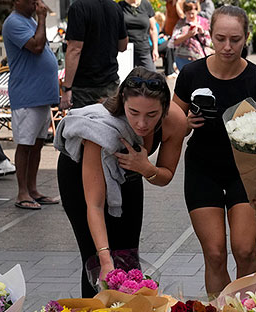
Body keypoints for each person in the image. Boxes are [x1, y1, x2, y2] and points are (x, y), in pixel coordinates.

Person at [173, 5, 256, 297]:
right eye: (220, 38)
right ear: (210, 36)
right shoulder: (191, 75)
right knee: (216, 254)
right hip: (202, 170)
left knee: (244, 251)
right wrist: (185, 124)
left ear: (246, 37)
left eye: (235, 39)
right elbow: (170, 129)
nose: (227, 47)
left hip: (244, 175)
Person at [55, 67, 187, 297]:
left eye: (152, 114)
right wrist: (105, 260)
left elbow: (165, 175)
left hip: (131, 169)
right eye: (133, 112)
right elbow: (94, 205)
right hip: (78, 173)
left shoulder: (176, 121)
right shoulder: (101, 128)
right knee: (96, 259)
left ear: (165, 108)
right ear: (122, 102)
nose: (142, 123)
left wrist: (145, 168)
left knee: (127, 256)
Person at [3, 0, 60, 210]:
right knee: (25, 145)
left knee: (36, 145)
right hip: (27, 94)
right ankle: (22, 193)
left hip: (41, 95)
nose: (38, 4)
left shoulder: (28, 20)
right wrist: (42, 19)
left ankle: (33, 189)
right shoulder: (14, 23)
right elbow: (36, 47)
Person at [59, 0, 128, 110]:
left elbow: (75, 49)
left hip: (84, 86)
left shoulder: (78, 7)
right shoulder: (115, 8)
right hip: (110, 82)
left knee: (85, 125)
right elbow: (123, 46)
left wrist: (67, 88)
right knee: (109, 124)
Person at [119, 0, 159, 72]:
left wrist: (155, 49)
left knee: (152, 78)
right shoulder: (120, 6)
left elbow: (153, 29)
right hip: (125, 50)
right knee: (125, 79)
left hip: (143, 49)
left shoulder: (146, 5)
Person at [171, 0, 211, 70]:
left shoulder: (204, 22)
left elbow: (208, 42)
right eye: (188, 13)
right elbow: (174, 41)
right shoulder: (181, 23)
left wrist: (202, 32)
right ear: (185, 12)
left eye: (193, 13)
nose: (191, 16)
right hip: (183, 58)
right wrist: (187, 35)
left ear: (197, 11)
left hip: (199, 58)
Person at [152, 11, 176, 77]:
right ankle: (170, 70)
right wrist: (164, 39)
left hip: (149, 46)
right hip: (152, 47)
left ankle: (169, 69)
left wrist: (159, 37)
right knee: (170, 44)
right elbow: (157, 41)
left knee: (168, 46)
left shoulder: (153, 24)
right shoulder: (156, 25)